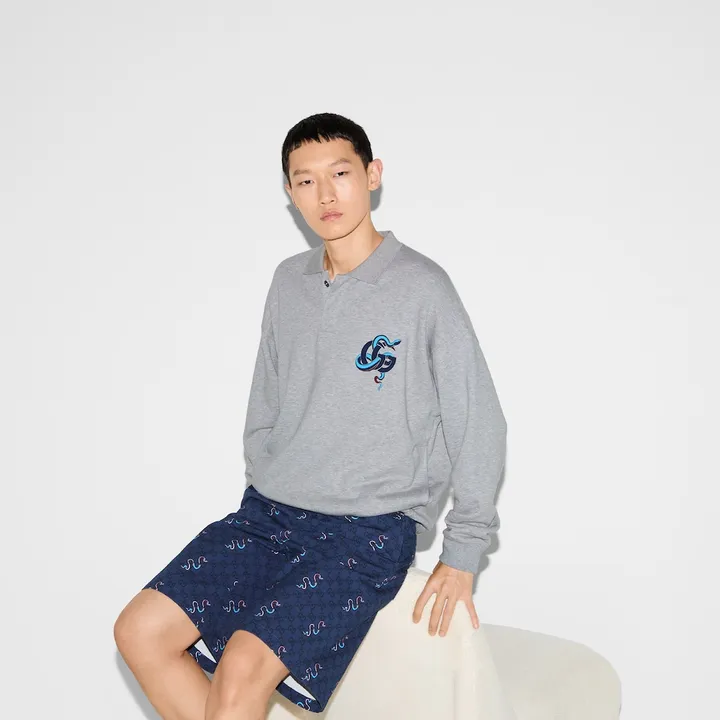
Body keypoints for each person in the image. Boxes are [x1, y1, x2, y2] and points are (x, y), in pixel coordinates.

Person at [114, 112, 507, 719]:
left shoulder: (422, 287)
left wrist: (463, 552)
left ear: (372, 175)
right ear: (290, 193)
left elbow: (477, 418)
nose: (325, 195)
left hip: (366, 529)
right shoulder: (288, 283)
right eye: (305, 181)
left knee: (242, 668)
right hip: (269, 515)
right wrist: (268, 469)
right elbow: (266, 400)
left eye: (340, 173)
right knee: (141, 631)